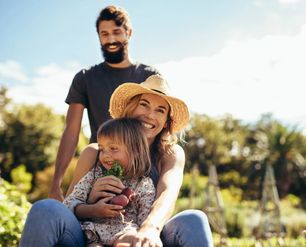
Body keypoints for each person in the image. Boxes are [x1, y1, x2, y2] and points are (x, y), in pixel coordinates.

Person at [20, 74, 214, 247]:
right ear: (130, 109)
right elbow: (69, 207)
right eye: (144, 104)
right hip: (88, 235)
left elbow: (167, 195)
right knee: (45, 208)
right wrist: (91, 200)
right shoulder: (94, 153)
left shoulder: (170, 153)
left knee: (194, 218)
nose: (150, 114)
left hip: (142, 233)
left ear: (167, 122)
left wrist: (149, 229)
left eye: (160, 110)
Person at [49, 5, 159, 201]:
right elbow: (71, 132)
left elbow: (159, 124)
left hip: (142, 167)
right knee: (76, 215)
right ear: (98, 36)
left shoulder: (149, 76)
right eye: (104, 34)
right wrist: (56, 181)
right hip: (100, 167)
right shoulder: (85, 78)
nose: (110, 40)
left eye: (116, 32)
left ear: (129, 33)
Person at [64, 117, 155, 246]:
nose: (105, 155)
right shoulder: (94, 176)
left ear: (135, 151)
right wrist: (93, 209)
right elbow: (69, 204)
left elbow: (145, 218)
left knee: (130, 238)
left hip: (124, 231)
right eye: (102, 149)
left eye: (113, 148)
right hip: (93, 233)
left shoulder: (143, 184)